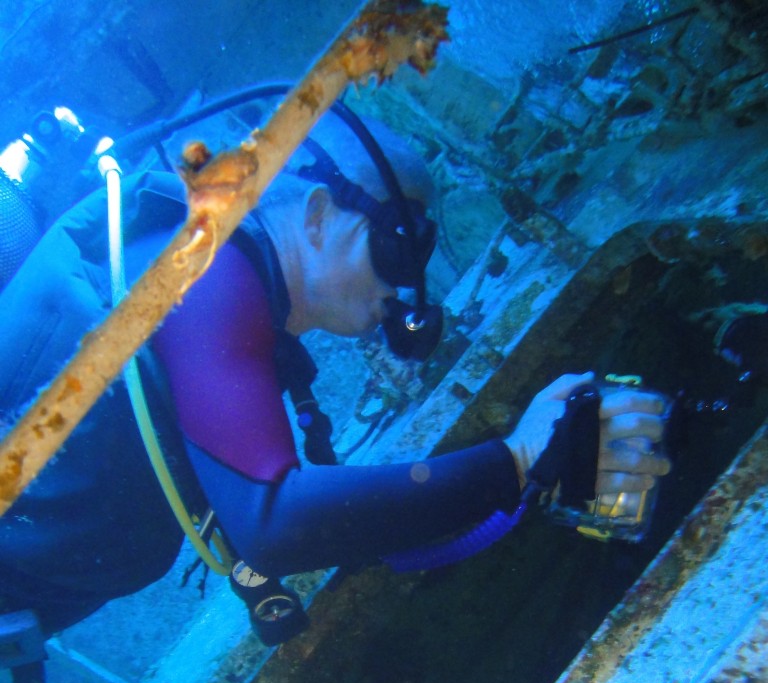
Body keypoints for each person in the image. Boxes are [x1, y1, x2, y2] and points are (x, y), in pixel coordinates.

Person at [0, 109, 670, 640]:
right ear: (316, 216)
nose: (408, 284)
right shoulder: (205, 275)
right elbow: (273, 522)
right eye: (396, 243)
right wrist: (515, 462)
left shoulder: (232, 298)